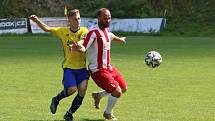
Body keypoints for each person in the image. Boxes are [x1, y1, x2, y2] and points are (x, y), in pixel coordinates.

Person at [29, 9, 89, 121]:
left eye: (79, 18)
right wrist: (36, 20)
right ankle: (56, 99)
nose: (78, 21)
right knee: (72, 89)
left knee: (82, 91)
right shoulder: (62, 31)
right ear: (69, 21)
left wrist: (77, 46)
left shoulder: (84, 30)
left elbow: (83, 41)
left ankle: (69, 114)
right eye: (75, 19)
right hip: (69, 67)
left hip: (82, 68)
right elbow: (47, 29)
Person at [72, 8, 127, 120]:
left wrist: (119, 39)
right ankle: (107, 113)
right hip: (98, 70)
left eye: (109, 17)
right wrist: (79, 47)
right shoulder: (93, 33)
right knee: (117, 92)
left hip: (109, 68)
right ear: (99, 19)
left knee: (123, 88)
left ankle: (99, 95)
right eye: (105, 18)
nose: (108, 20)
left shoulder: (106, 31)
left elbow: (111, 36)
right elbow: (84, 47)